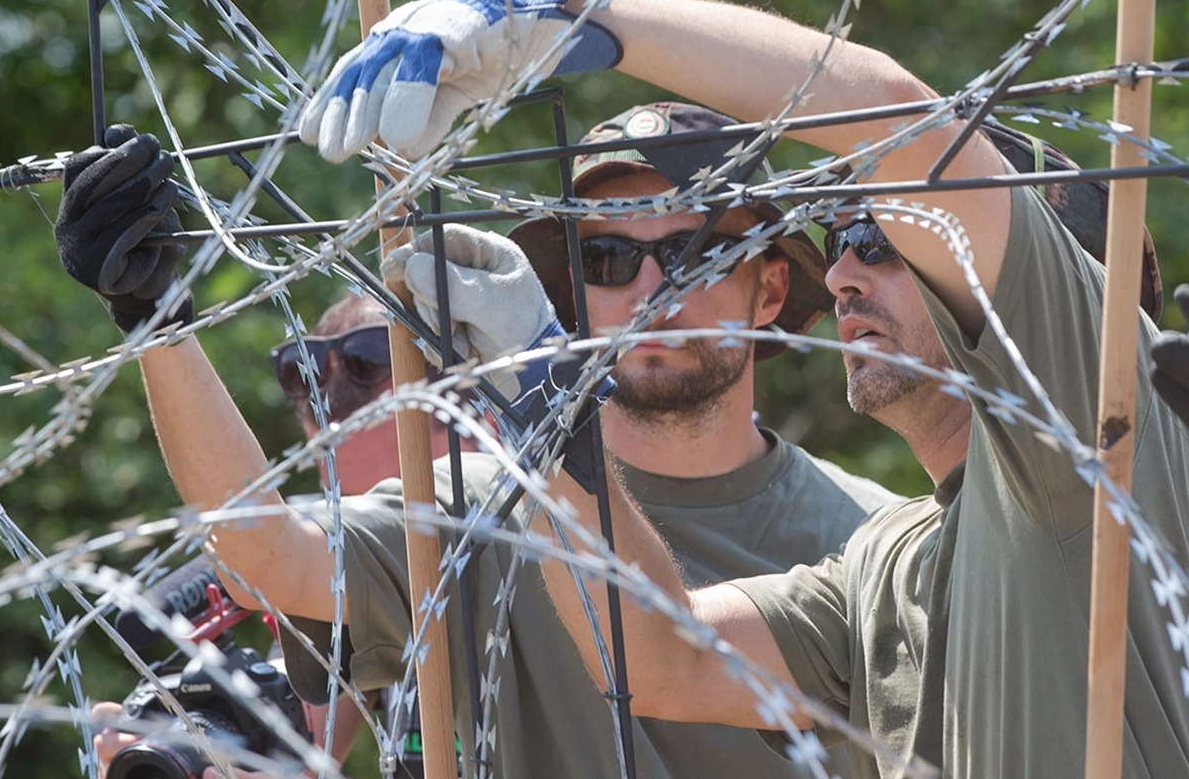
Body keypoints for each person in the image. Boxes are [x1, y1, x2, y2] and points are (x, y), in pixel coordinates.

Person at [288, 0, 1189, 777]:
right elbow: (660, 657)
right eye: (839, 236)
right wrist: (546, 392)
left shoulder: (1091, 440)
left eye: (880, 237)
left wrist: (566, 17)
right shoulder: (894, 558)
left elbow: (897, 120)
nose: (837, 271)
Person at [55, 107, 898, 773]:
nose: (649, 290)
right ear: (573, 292)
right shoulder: (473, 509)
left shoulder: (878, 540)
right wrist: (156, 318)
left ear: (770, 287)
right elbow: (263, 549)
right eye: (607, 258)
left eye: (694, 256)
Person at [92, 292, 452, 779]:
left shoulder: (548, 544)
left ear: (474, 421)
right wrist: (196, 742)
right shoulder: (352, 578)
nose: (358, 537)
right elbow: (300, 745)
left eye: (386, 507)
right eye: (343, 505)